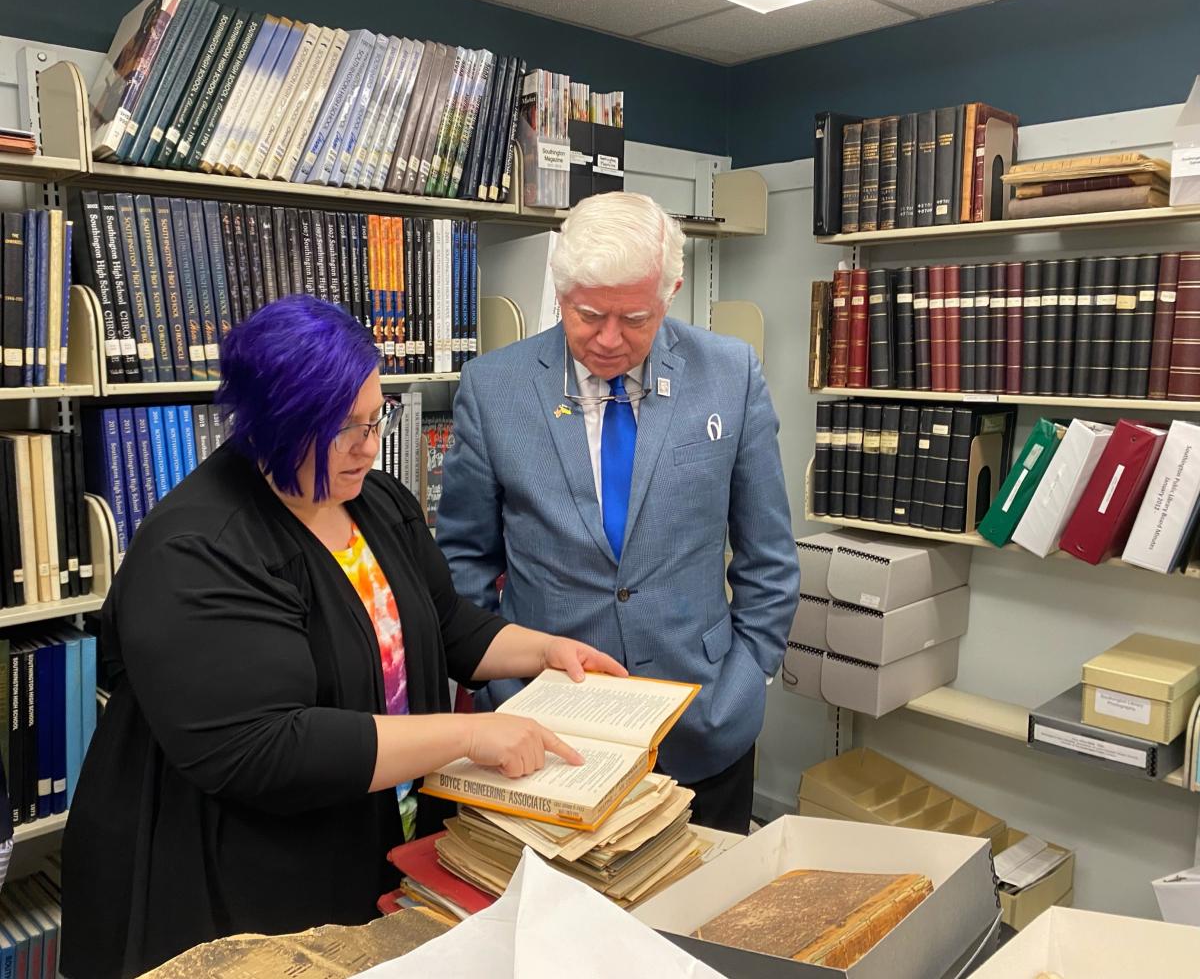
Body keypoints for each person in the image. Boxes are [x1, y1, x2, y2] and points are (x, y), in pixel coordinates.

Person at [60, 295, 624, 979]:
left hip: (373, 839)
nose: (369, 444)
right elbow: (264, 749)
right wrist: (468, 737)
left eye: (375, 417)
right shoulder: (197, 549)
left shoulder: (375, 502)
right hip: (238, 883)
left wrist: (544, 651)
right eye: (343, 428)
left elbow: (445, 627)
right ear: (273, 425)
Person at [437, 192, 800, 834]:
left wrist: (745, 678)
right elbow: (462, 560)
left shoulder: (729, 374)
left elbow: (768, 554)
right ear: (559, 289)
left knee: (691, 925)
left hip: (702, 725)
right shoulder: (493, 388)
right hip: (546, 730)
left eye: (635, 317)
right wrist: (503, 689)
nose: (609, 340)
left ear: (672, 292)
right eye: (588, 315)